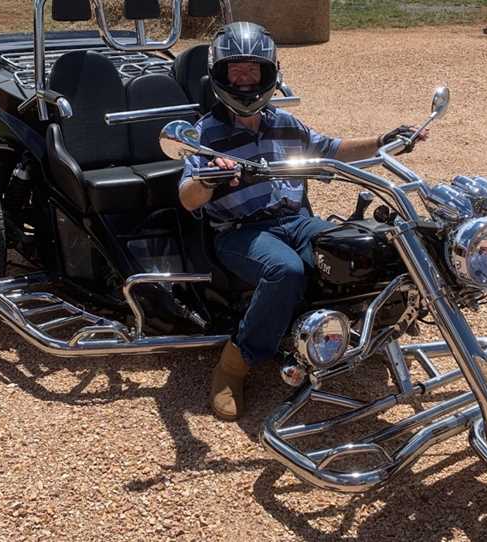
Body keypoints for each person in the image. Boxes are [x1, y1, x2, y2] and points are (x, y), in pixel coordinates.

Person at [178, 22, 426, 421]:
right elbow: (187, 197)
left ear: (269, 73)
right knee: (286, 270)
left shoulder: (285, 123)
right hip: (240, 232)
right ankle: (234, 364)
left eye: (252, 70)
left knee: (355, 246)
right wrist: (208, 180)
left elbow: (332, 149)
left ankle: (345, 332)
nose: (244, 79)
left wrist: (382, 141)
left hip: (296, 220)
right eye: (235, 70)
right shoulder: (203, 134)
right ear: (219, 76)